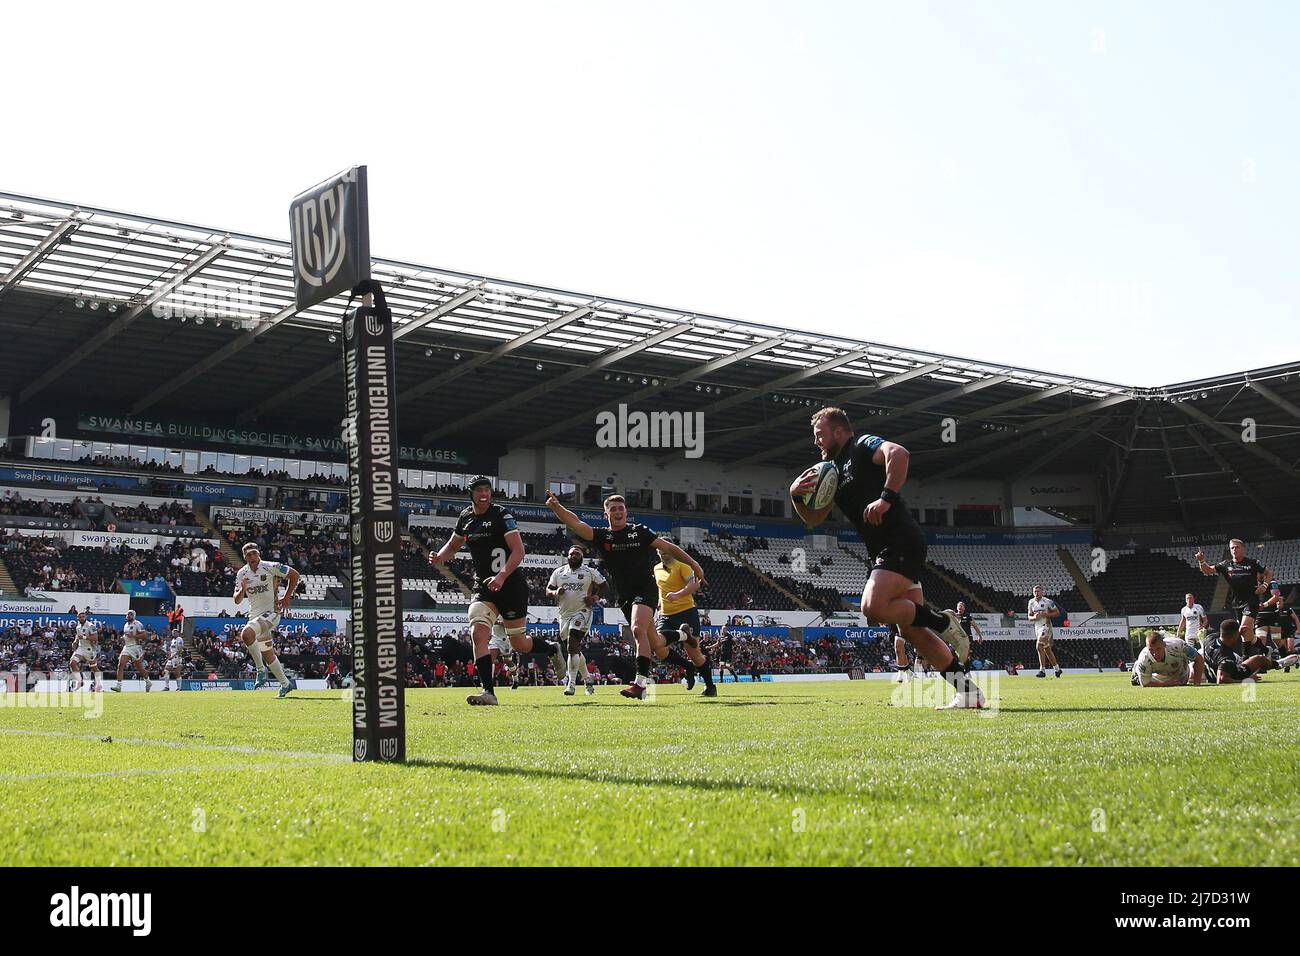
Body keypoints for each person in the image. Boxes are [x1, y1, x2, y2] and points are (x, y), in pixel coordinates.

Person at [789, 407, 979, 709]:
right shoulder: (831, 471)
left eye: (820, 435)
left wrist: (885, 498)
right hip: (883, 548)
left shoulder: (862, 445)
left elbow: (899, 454)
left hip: (900, 539)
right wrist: (796, 495)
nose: (817, 442)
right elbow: (814, 519)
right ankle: (968, 693)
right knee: (913, 632)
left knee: (873, 608)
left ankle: (941, 620)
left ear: (839, 432)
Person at [544, 490, 706, 701]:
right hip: (625, 595)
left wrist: (694, 564)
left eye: (621, 508)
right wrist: (556, 506)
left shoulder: (639, 532)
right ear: (606, 514)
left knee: (637, 630)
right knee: (655, 642)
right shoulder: (603, 536)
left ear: (626, 512)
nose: (618, 512)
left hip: (645, 590)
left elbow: (668, 547)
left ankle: (640, 684)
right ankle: (684, 636)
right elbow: (576, 523)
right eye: (613, 509)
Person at [430, 476, 563, 706]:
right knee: (478, 633)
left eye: (487, 489)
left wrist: (501, 576)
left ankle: (552, 648)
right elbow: (454, 544)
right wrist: (440, 556)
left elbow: (519, 551)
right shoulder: (466, 518)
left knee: (519, 643)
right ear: (471, 493)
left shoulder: (502, 515)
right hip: (484, 585)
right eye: (479, 489)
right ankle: (488, 692)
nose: (484, 493)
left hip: (510, 585)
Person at [232, 542, 300, 698]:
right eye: (248, 555)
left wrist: (287, 596)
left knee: (247, 634)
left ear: (258, 554)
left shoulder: (271, 566)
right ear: (244, 557)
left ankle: (260, 670)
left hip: (272, 613)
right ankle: (285, 684)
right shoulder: (242, 574)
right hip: (255, 615)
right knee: (268, 654)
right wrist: (242, 589)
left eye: (254, 553)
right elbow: (236, 600)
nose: (252, 557)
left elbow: (294, 575)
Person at [653, 538, 718, 697]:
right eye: (661, 550)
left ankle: (710, 687)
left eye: (667, 550)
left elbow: (693, 585)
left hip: (686, 612)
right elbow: (661, 589)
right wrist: (659, 604)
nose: (664, 553)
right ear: (657, 551)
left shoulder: (682, 565)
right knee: (658, 648)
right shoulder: (656, 569)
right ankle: (687, 667)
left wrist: (678, 594)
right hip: (666, 615)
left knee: (694, 654)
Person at [546, 545, 608, 696]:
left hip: (582, 612)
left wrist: (595, 598)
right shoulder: (559, 572)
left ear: (582, 557)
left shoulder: (590, 572)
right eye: (572, 553)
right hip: (564, 615)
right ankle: (588, 679)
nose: (574, 555)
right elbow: (548, 590)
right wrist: (555, 592)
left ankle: (571, 684)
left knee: (572, 645)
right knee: (574, 650)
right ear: (568, 555)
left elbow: (605, 586)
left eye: (578, 553)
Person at [1196, 540, 1270, 643]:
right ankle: (1264, 650)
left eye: (1237, 547)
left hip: (1251, 600)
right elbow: (1207, 570)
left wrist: (1264, 585)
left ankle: (1245, 657)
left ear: (1243, 549)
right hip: (1237, 602)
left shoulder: (1253, 563)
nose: (1234, 549)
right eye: (1232, 548)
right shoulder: (1226, 564)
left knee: (1244, 627)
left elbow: (1269, 573)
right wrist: (1201, 561)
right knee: (1244, 633)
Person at [1131, 631, 1203, 687]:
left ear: (1164, 644)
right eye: (1151, 650)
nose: (1155, 654)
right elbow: (1145, 683)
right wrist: (1165, 684)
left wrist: (1196, 684)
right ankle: (1137, 671)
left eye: (1158, 649)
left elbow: (1199, 659)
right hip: (1160, 677)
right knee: (1143, 678)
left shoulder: (1178, 645)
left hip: (1181, 674)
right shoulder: (1144, 658)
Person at [110, 610, 151, 692]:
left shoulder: (137, 624)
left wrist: (134, 635)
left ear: (134, 616)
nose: (129, 615)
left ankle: (148, 681)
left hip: (135, 647)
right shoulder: (126, 625)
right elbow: (126, 635)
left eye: (131, 614)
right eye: (128, 614)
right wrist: (122, 638)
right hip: (127, 647)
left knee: (139, 667)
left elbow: (144, 635)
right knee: (120, 664)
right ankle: (118, 686)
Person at [1027, 586, 1062, 678]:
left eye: (1038, 591)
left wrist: (1046, 614)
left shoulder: (1048, 601)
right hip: (1037, 627)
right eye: (1035, 591)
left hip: (1046, 626)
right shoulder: (1031, 602)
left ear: (1042, 592)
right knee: (1047, 649)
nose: (1036, 593)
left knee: (1038, 645)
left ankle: (1042, 670)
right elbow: (1029, 617)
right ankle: (1057, 669)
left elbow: (1057, 613)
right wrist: (1034, 617)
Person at [68, 611, 103, 692]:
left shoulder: (91, 626)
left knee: (94, 668)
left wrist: (83, 637)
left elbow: (95, 638)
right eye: (80, 617)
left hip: (89, 649)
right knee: (72, 663)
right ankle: (80, 682)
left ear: (85, 617)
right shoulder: (78, 627)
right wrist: (75, 642)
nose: (81, 618)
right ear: (78, 618)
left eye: (83, 616)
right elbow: (78, 636)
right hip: (81, 648)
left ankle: (99, 684)